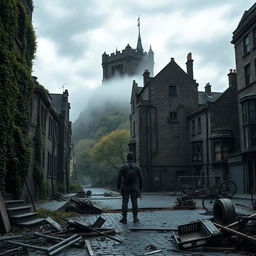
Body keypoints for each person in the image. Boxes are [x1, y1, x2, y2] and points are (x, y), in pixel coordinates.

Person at [117, 152, 143, 224]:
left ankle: (124, 218)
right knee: (134, 202)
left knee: (125, 202)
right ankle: (135, 218)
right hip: (134, 187)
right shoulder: (137, 167)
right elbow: (141, 178)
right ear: (133, 158)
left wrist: (118, 187)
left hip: (125, 187)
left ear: (127, 158)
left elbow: (119, 178)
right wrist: (140, 188)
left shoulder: (123, 167)